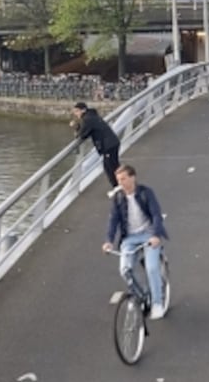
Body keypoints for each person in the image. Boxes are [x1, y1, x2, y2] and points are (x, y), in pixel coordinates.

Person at [102, 165, 169, 319]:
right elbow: (113, 221)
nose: (121, 183)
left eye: (123, 179)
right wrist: (109, 241)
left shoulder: (146, 193)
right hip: (130, 238)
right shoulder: (118, 198)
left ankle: (157, 303)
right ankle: (143, 295)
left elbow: (156, 215)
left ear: (133, 177)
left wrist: (156, 235)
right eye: (119, 180)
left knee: (152, 268)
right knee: (125, 270)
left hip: (148, 235)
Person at [70, 101, 121, 189]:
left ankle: (117, 187)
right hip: (112, 142)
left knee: (109, 167)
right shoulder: (93, 115)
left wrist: (75, 127)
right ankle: (120, 185)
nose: (75, 114)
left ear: (83, 110)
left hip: (107, 145)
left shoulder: (87, 119)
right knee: (114, 165)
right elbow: (88, 131)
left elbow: (82, 135)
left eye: (77, 111)